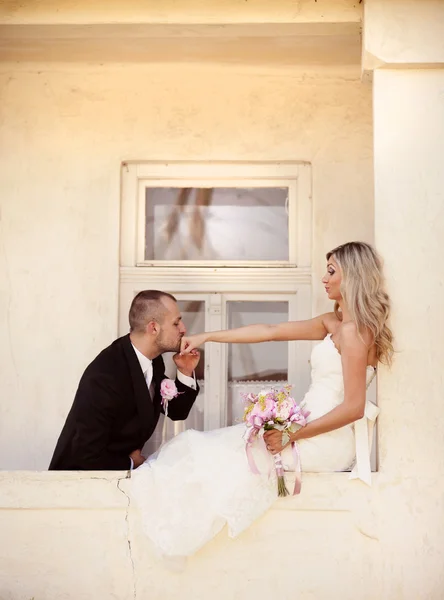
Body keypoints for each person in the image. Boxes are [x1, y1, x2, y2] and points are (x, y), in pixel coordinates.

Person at [131, 242, 394, 558]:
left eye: (331, 271)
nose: (324, 278)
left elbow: (353, 407)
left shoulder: (354, 332)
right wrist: (207, 336)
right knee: (227, 447)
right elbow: (270, 330)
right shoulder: (332, 323)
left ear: (352, 275)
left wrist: (289, 434)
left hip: (325, 438)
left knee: (230, 453)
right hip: (302, 426)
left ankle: (177, 526)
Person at [49, 291, 200, 470]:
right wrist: (131, 463)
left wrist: (185, 370)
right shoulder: (106, 376)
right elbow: (84, 454)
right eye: (176, 323)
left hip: (116, 482)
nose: (183, 329)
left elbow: (176, 411)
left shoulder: (153, 361)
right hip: (78, 484)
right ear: (153, 328)